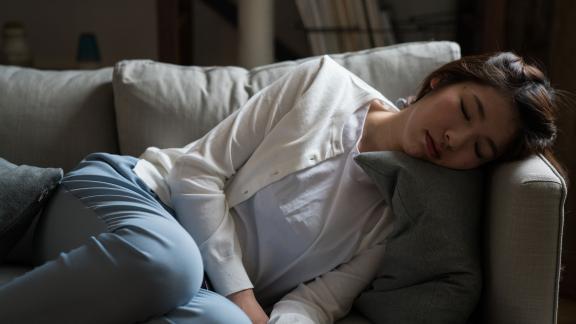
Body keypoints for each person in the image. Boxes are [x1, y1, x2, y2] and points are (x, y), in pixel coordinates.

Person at [0, 51, 561, 324]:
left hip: (199, 289)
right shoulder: (323, 84)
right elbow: (197, 172)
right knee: (169, 262)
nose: (455, 139)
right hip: (134, 197)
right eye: (465, 110)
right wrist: (245, 297)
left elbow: (318, 300)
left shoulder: (399, 215)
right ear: (441, 81)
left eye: (479, 149)